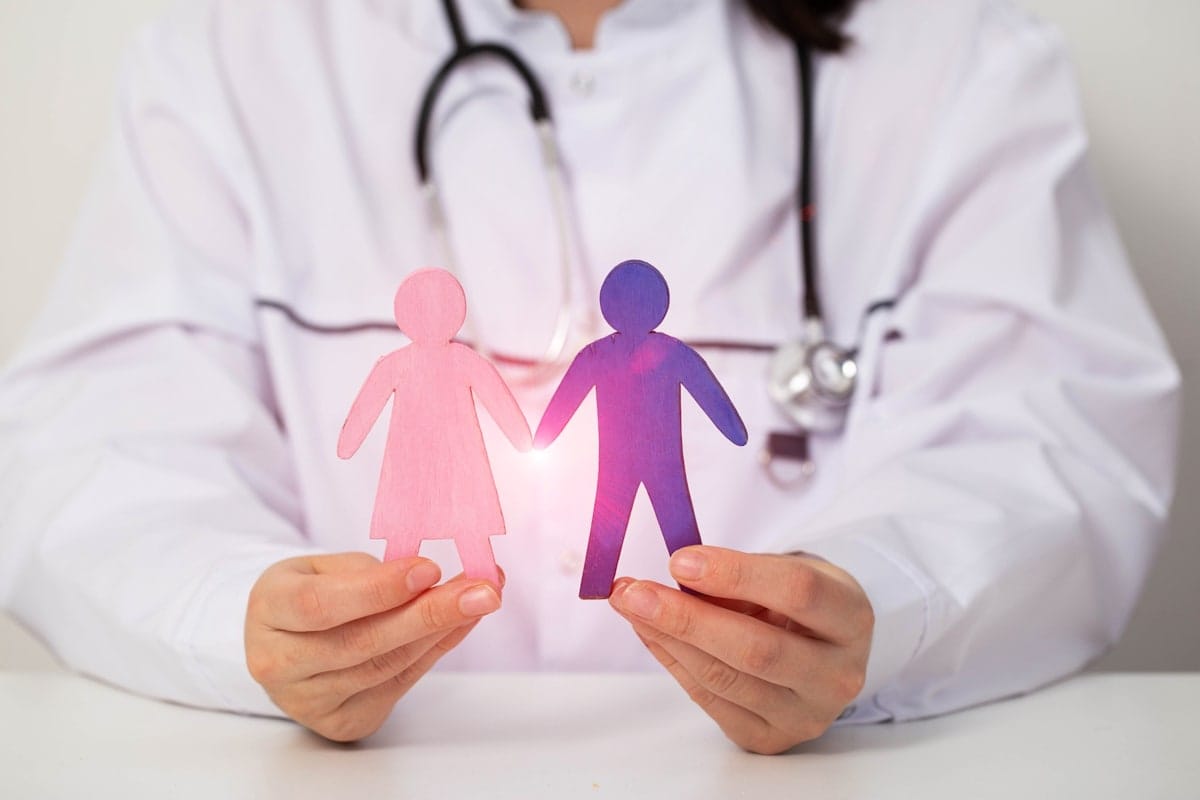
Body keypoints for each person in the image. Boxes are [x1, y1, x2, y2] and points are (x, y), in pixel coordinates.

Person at [0, 0, 1180, 754]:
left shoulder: (959, 64)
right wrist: (248, 616)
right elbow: (95, 437)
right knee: (569, 516)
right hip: (377, 779)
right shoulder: (235, 60)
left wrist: (874, 594)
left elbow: (1052, 433)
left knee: (649, 516)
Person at [535, 260, 748, 599]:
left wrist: (542, 437)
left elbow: (565, 400)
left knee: (613, 519)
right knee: (674, 517)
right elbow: (711, 397)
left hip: (623, 460)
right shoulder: (672, 352)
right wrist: (733, 430)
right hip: (661, 461)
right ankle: (695, 589)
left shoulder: (597, 354)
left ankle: (597, 583)